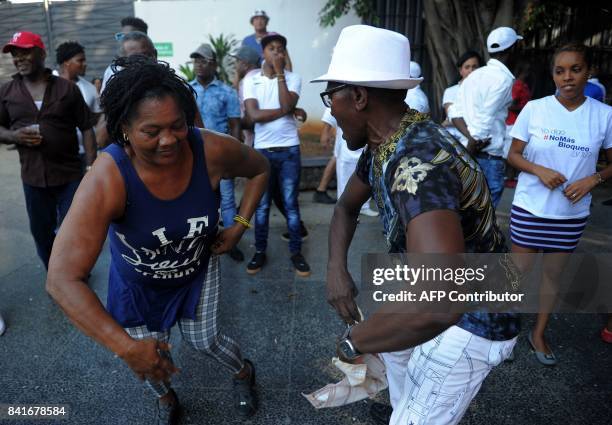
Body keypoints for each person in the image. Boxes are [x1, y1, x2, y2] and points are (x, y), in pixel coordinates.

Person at [46, 55, 269, 425]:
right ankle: (166, 398)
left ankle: (244, 372)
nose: (169, 141)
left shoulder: (210, 149)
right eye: (152, 131)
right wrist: (125, 348)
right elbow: (61, 279)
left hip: (197, 269)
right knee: (146, 355)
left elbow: (261, 168)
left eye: (177, 125)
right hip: (137, 285)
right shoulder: (107, 177)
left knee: (205, 342)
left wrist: (239, 225)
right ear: (123, 131)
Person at [313, 25, 518, 425]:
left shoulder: (417, 164)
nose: (330, 110)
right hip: (429, 293)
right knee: (400, 379)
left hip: (475, 316)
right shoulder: (387, 142)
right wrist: (335, 269)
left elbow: (441, 301)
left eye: (330, 96)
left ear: (358, 96)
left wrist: (354, 341)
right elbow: (345, 208)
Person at [507, 43, 612, 366]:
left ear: (588, 71)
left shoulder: (604, 115)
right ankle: (505, 331)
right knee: (516, 274)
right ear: (552, 74)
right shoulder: (536, 109)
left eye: (575, 69)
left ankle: (538, 333)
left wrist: (592, 180)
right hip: (530, 207)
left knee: (552, 276)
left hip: (569, 215)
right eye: (560, 70)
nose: (567, 77)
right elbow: (512, 154)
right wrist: (539, 170)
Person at [0, 31, 96, 269]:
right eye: (15, 54)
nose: (19, 58)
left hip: (69, 175)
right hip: (33, 179)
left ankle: (75, 273)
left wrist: (91, 168)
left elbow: (86, 127)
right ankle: (54, 273)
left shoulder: (66, 89)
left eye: (25, 52)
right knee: (42, 233)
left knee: (73, 230)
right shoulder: (7, 92)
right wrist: (13, 135)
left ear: (41, 54)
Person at [243, 32, 310, 276]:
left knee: (291, 205)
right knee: (261, 207)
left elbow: (288, 105)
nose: (277, 53)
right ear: (263, 53)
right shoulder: (251, 79)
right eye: (272, 48)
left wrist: (281, 74)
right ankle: (259, 251)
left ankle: (296, 252)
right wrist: (286, 109)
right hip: (262, 152)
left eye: (281, 49)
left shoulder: (293, 78)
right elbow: (253, 116)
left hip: (289, 150)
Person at [450, 27, 522, 209]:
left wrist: (468, 145)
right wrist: (471, 148)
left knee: (466, 209)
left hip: (471, 151)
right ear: (512, 50)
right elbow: (484, 120)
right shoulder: (503, 80)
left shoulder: (475, 76)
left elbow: (454, 113)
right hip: (486, 157)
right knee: (482, 216)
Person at [189, 43, 244, 262]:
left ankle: (231, 242)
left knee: (228, 200)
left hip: (220, 157)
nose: (198, 65)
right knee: (197, 200)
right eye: (195, 60)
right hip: (192, 155)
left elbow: (235, 125)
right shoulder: (186, 89)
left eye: (203, 60)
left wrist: (236, 156)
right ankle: (199, 242)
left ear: (213, 64)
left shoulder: (226, 91)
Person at [97, 31, 158, 147]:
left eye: (145, 56)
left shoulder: (175, 90)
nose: (140, 64)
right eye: (133, 60)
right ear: (122, 63)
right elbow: (101, 140)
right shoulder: (120, 94)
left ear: (154, 55)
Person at [321, 107, 378, 216]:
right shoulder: (342, 92)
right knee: (344, 176)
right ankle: (345, 210)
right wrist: (326, 131)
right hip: (346, 140)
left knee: (365, 174)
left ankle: (363, 206)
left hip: (365, 137)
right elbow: (331, 107)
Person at [56, 41, 102, 171]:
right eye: (80, 60)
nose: (85, 64)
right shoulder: (49, 83)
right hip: (55, 153)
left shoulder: (90, 89)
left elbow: (97, 119)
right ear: (66, 62)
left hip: (83, 154)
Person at [441, 50, 482, 145]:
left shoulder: (485, 90)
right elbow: (451, 117)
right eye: (467, 67)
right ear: (460, 71)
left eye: (475, 67)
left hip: (478, 141)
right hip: (455, 141)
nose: (471, 70)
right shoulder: (451, 91)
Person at [503, 61, 531, 187]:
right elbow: (511, 105)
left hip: (519, 122)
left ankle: (512, 177)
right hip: (512, 123)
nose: (529, 74)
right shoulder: (517, 85)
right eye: (527, 72)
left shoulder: (524, 85)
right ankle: (508, 177)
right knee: (511, 152)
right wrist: (525, 109)